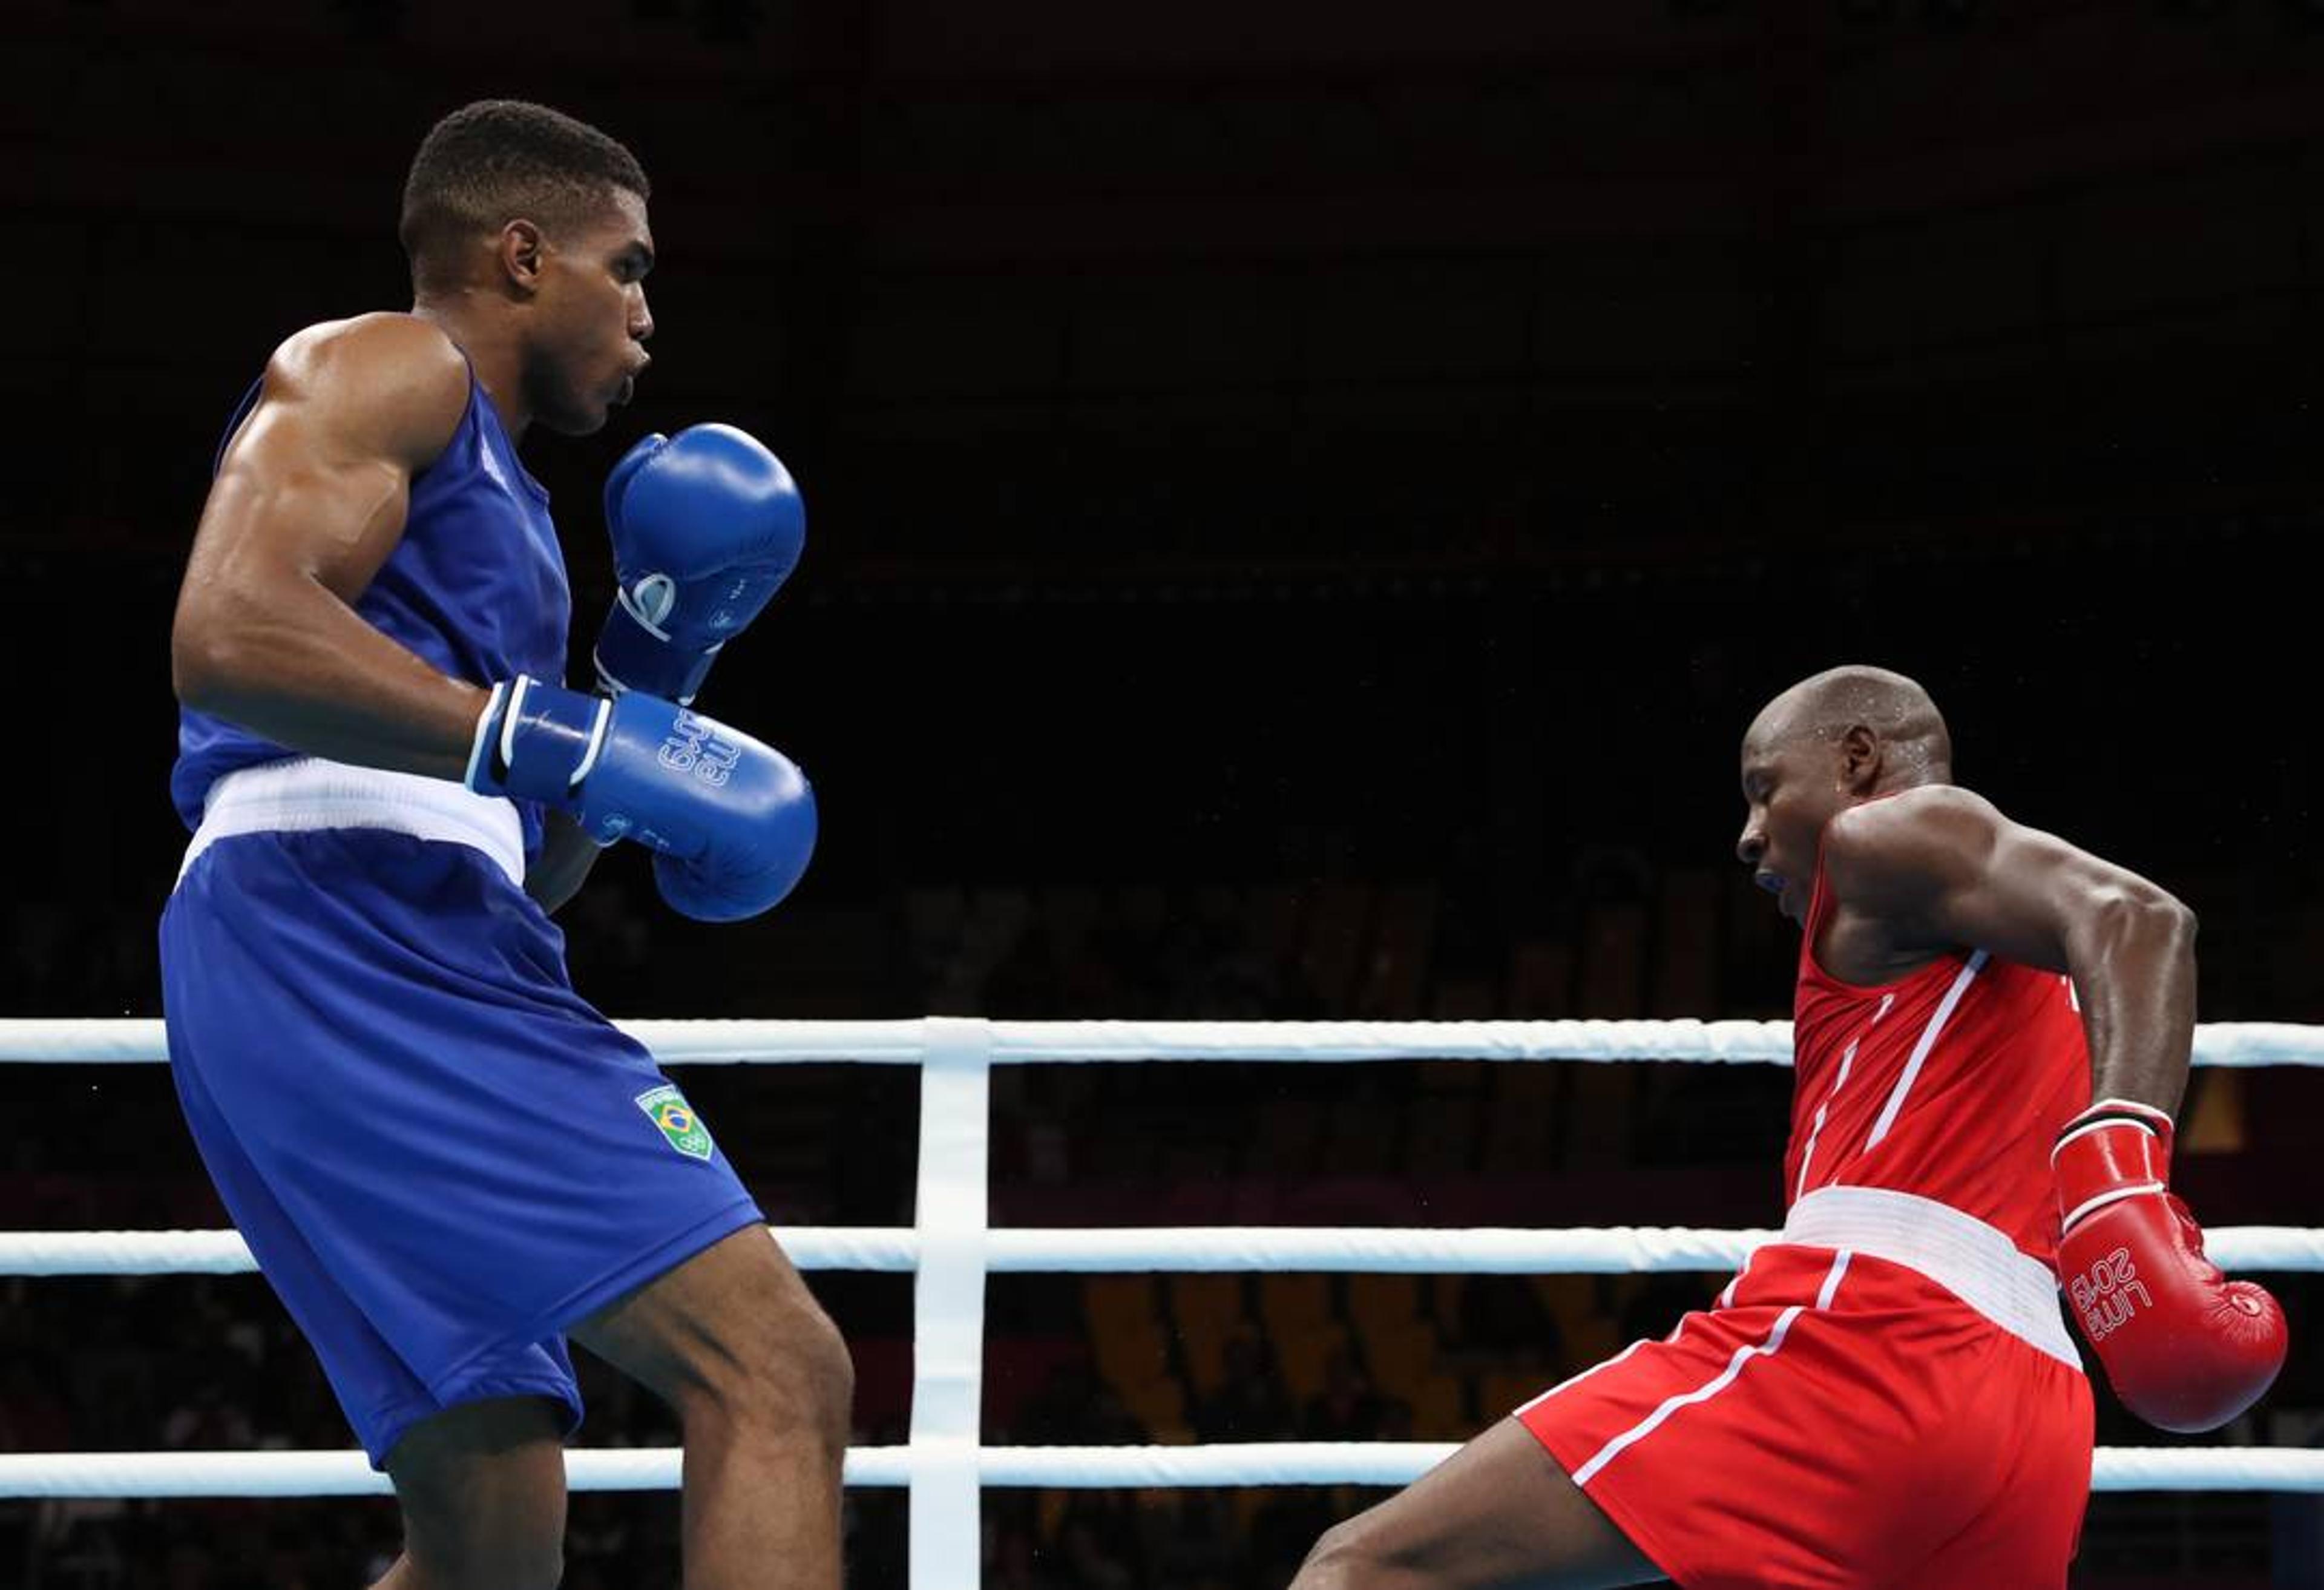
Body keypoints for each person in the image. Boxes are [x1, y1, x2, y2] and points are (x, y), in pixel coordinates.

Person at [160, 99, 851, 1590]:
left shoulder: (512, 531)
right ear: (525, 255)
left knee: (492, 1537)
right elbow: (224, 632)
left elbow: (519, 856)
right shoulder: (384, 363)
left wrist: (643, 693)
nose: (649, 322)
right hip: (339, 926)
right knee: (777, 1370)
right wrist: (553, 738)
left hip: (383, 930)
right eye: (631, 270)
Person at [1290, 665, 2288, 1589]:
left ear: (1857, 759)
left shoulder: (1884, 834)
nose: (1748, 835)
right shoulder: (2034, 972)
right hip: (2037, 1418)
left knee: (1366, 1568)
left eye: (1766, 788)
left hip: (1870, 1342)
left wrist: (2122, 1168)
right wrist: (2126, 1182)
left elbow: (2143, 916)